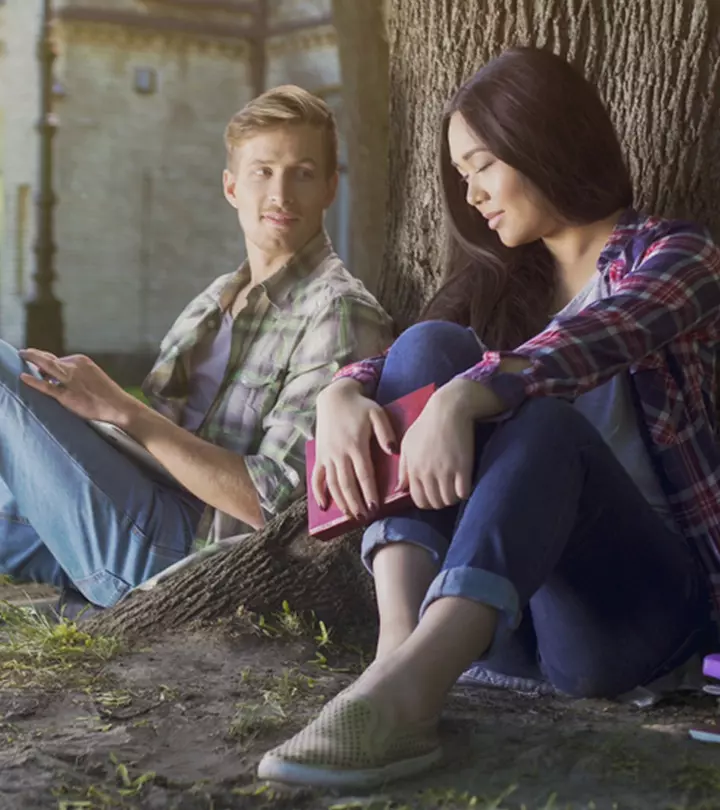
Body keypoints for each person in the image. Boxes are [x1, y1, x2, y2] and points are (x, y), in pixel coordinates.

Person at [257, 48, 720, 789]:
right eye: (461, 175)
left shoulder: (677, 255)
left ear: (543, 141)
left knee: (545, 425)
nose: (469, 194)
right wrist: (340, 394)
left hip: (631, 615)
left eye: (481, 165)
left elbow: (604, 336)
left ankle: (407, 691)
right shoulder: (495, 282)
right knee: (428, 342)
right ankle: (399, 660)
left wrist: (473, 392)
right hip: (495, 621)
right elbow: (397, 364)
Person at [0, 85, 392, 615]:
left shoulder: (339, 312)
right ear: (231, 187)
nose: (281, 194)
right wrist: (77, 416)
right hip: (142, 513)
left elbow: (274, 506)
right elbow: (151, 458)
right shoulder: (213, 303)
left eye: (302, 172)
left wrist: (121, 407)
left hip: (194, 563)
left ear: (329, 187)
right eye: (262, 171)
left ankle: (97, 597)